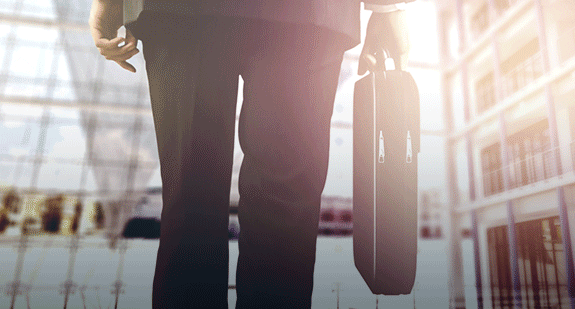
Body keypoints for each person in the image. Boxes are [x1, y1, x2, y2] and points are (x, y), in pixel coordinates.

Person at [88, 1, 412, 308]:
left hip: (184, 11)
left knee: (190, 196)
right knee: (285, 205)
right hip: (308, 14)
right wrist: (387, 8)